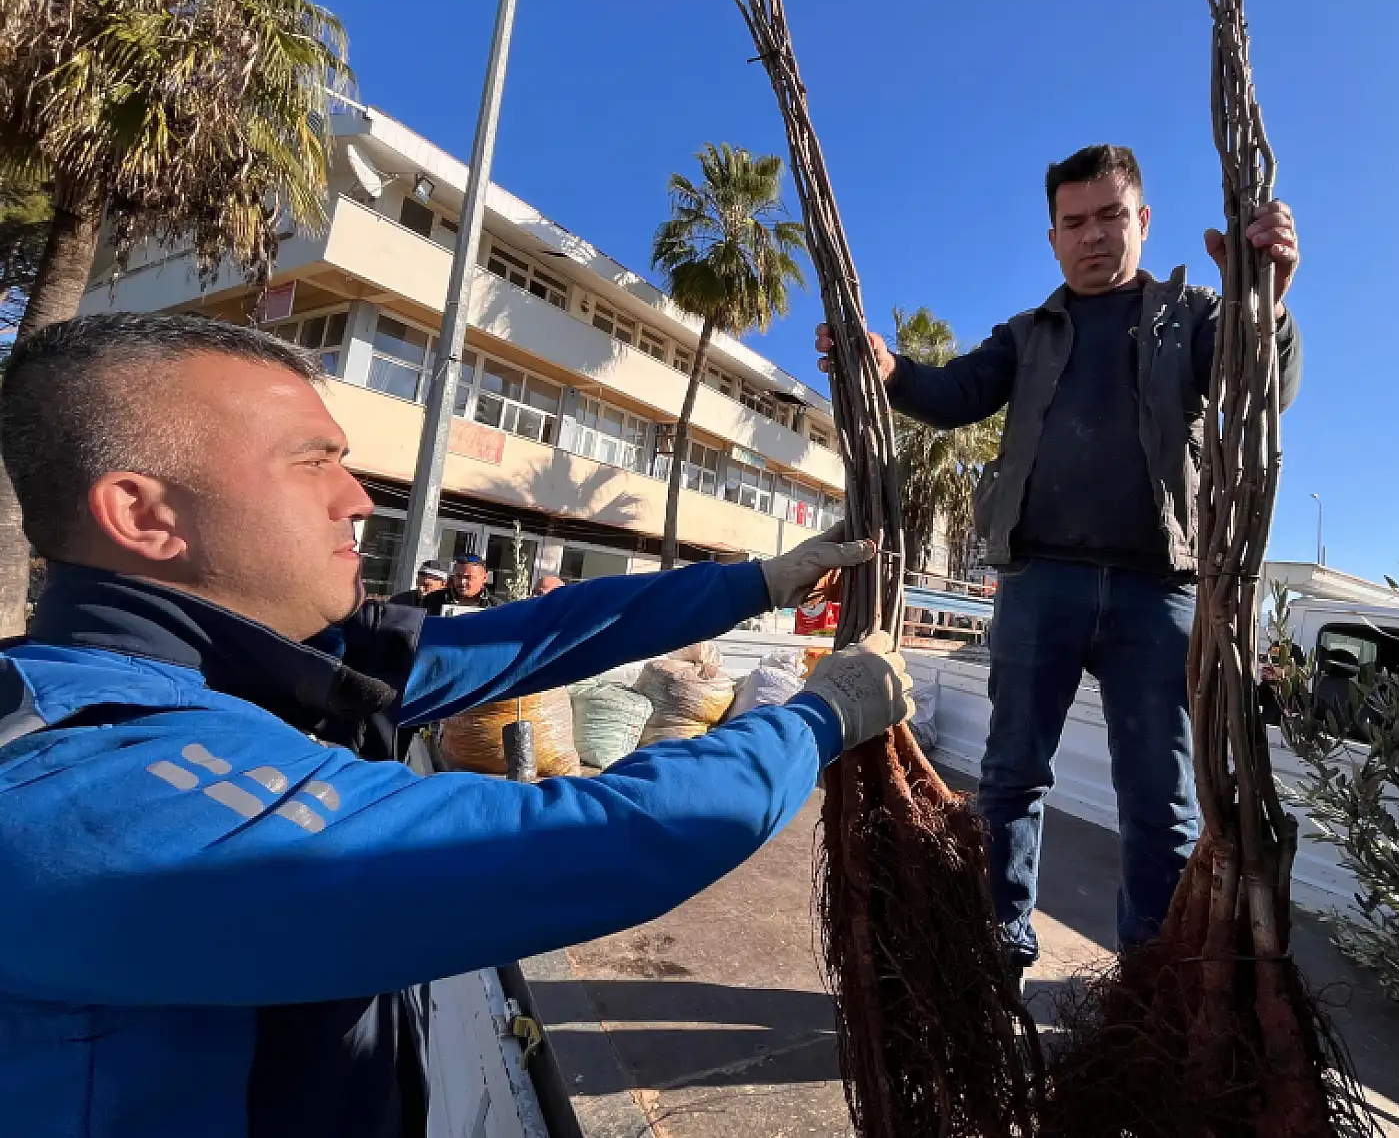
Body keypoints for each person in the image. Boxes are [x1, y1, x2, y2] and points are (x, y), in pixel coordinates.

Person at [0, 312, 914, 1138]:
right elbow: (590, 844)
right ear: (143, 514)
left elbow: (521, 641)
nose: (356, 498)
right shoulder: (89, 787)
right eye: (312, 461)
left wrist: (756, 583)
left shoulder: (247, 663)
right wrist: (815, 721)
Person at [816, 144, 1303, 973]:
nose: (1093, 236)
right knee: (1010, 777)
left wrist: (1268, 301)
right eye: (1074, 222)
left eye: (1111, 216)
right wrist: (889, 367)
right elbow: (956, 395)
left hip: (1160, 591)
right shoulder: (1029, 334)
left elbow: (1264, 384)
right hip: (1040, 581)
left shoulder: (1188, 314)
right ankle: (1000, 942)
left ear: (1142, 221)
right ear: (1052, 239)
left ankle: (1148, 976)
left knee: (1161, 801)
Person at [423, 553, 503, 613]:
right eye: (458, 576)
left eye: (468, 577)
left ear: (484, 578)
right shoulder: (432, 600)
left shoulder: (497, 608)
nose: (462, 582)